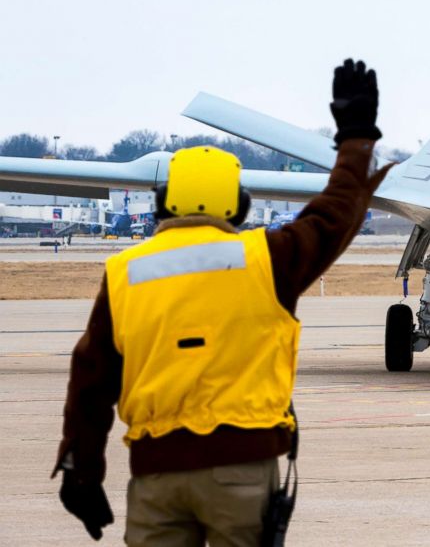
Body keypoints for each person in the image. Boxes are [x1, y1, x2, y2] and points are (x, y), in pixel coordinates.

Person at [53, 58, 391, 545]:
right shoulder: (266, 258)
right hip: (242, 468)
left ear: (164, 202)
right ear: (239, 205)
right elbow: (335, 212)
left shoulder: (125, 273)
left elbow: (90, 382)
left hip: (156, 475)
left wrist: (81, 471)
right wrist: (356, 140)